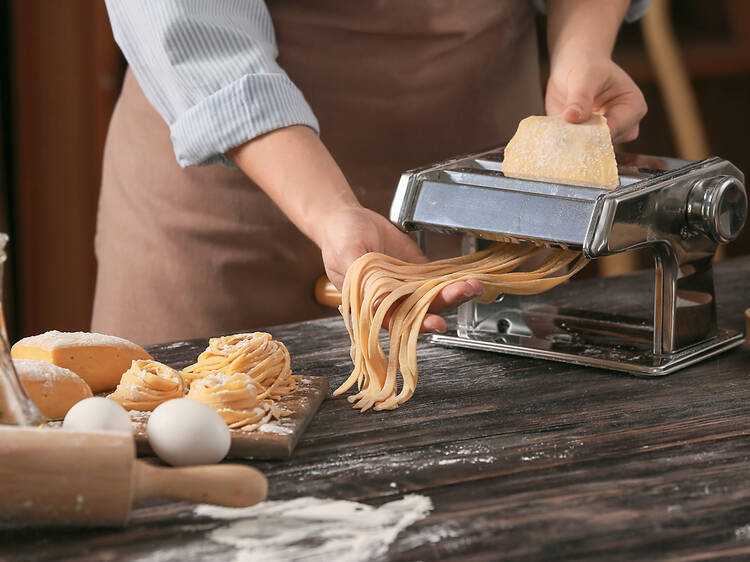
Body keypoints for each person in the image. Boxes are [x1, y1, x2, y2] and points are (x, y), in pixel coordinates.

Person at [94, 0, 648, 345]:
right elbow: (193, 28)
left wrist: (580, 52)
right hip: (229, 188)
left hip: (483, 189)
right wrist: (329, 209)